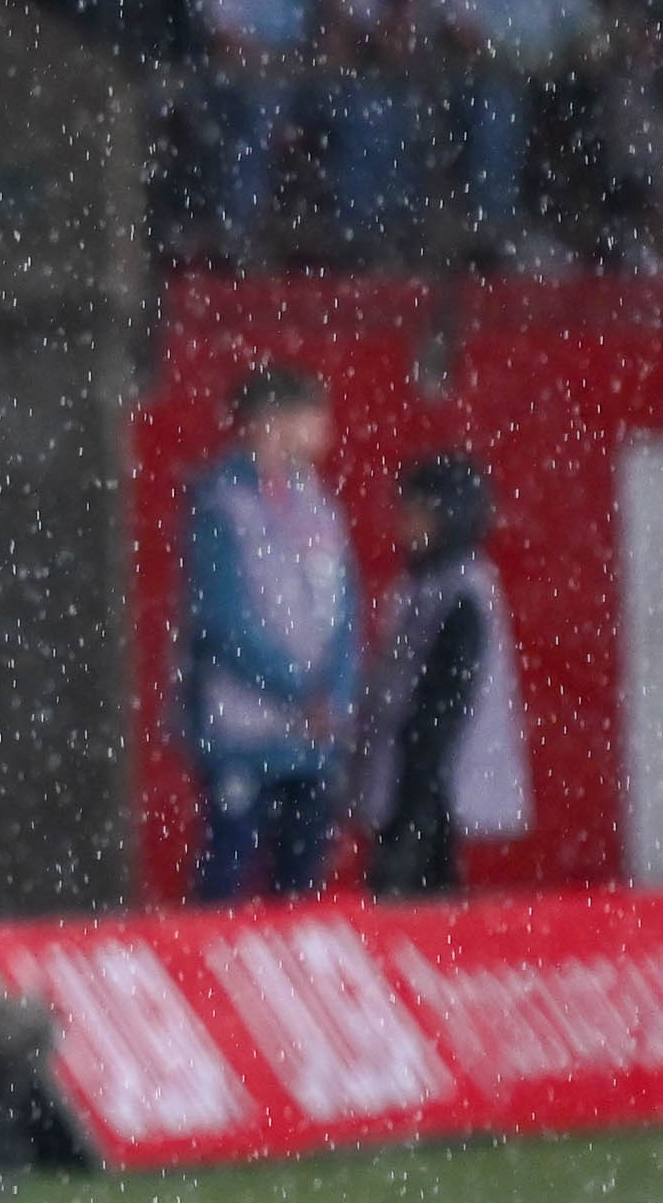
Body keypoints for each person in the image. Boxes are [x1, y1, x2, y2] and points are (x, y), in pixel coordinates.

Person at [180, 366, 356, 903]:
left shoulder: (320, 502)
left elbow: (346, 609)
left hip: (311, 738)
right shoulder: (221, 505)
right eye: (312, 416)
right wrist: (299, 692)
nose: (325, 430)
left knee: (302, 879)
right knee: (229, 871)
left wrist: (336, 694)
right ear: (269, 422)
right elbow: (222, 617)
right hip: (243, 730)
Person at [358, 453, 527, 898]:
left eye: (416, 512)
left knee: (422, 900)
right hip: (421, 786)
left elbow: (442, 705)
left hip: (433, 792)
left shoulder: (459, 594)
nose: (402, 524)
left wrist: (417, 801)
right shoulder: (428, 586)